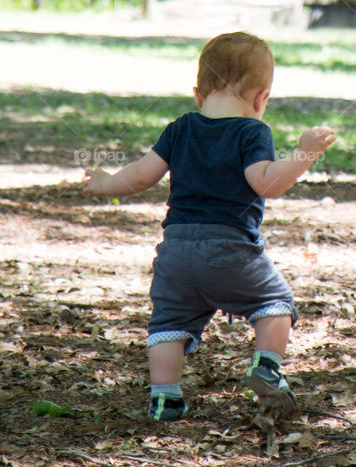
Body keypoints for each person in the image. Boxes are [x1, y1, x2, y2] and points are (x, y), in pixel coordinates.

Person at [82, 30, 336, 423]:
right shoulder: (252, 131)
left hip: (176, 253)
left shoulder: (180, 128)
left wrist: (103, 182)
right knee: (275, 305)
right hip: (232, 252)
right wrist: (305, 153)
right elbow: (267, 181)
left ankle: (164, 399)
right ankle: (267, 366)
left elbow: (140, 176)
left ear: (198, 96)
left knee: (168, 324)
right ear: (260, 99)